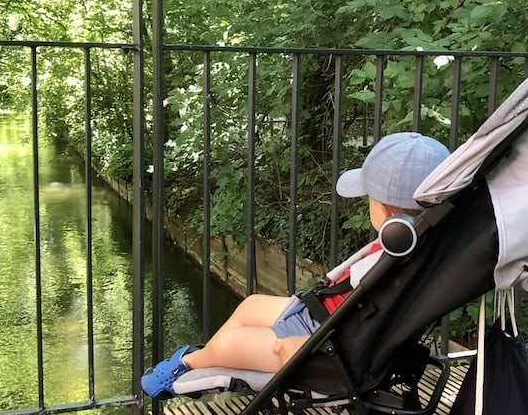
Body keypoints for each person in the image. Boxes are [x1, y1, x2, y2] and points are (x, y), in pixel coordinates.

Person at [141, 131, 450, 397]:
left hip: (324, 342)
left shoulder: (397, 261)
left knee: (230, 343)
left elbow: (375, 323)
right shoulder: (415, 247)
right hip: (324, 316)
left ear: (383, 207)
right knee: (251, 304)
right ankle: (208, 355)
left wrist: (308, 342)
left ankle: (191, 364)